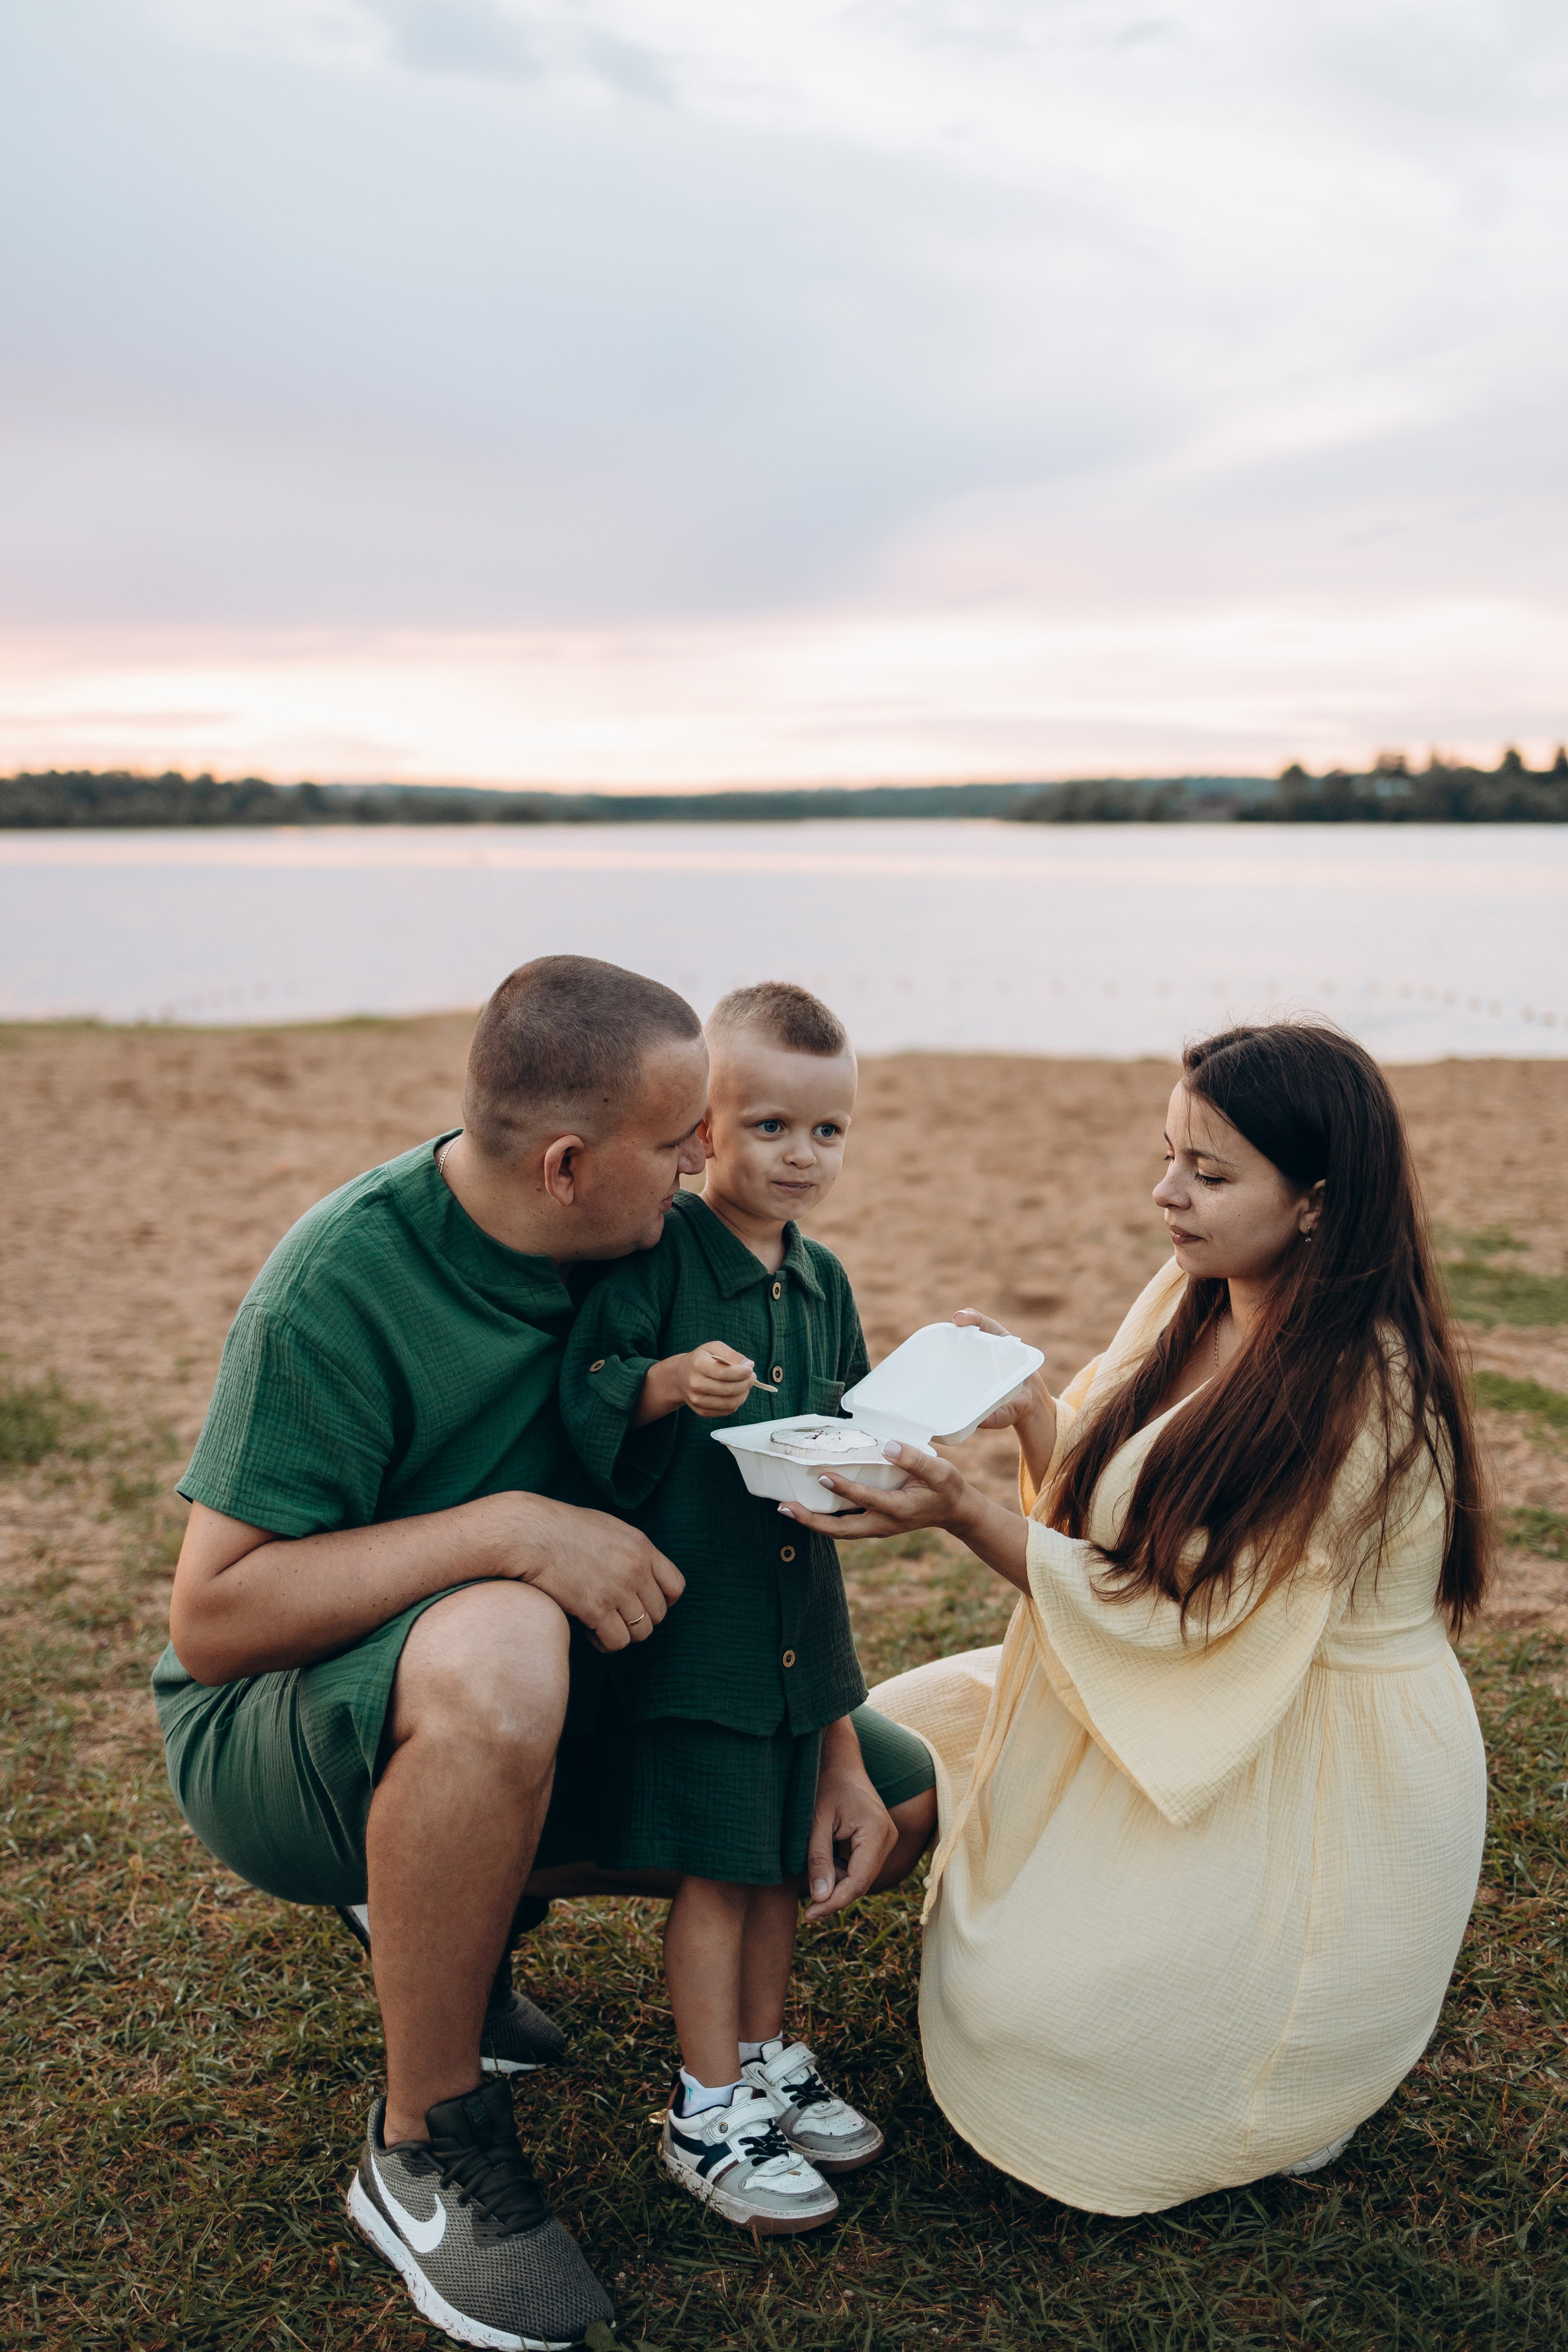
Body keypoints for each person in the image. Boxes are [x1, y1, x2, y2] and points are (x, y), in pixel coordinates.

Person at [152, 956, 925, 2352]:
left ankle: (448, 1901)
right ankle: (425, 2146)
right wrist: (508, 1530)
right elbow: (213, 1623)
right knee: (504, 1637)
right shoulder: (340, 1286)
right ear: (569, 1165)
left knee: (888, 1793)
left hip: (575, 1694)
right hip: (295, 1727)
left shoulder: (663, 1264)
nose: (711, 1156)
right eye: (680, 1138)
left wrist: (825, 1729)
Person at [782, 1022, 1490, 2214]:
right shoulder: (1202, 1289)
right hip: (1175, 1673)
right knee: (875, 1740)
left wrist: (956, 1509)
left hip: (1289, 1746)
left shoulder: (1360, 1396)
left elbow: (1184, 1623)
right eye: (1167, 1155)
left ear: (1315, 1203)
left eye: (1207, 1174)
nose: (1165, 1193)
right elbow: (1123, 1522)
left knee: (1048, 2024)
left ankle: (1288, 2072)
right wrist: (1028, 1413)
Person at [559, 982, 936, 2234]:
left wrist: (916, 1415)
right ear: (703, 1129)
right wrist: (666, 1382)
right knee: (717, 1876)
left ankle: (767, 2061)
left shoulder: (819, 1277)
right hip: (699, 1627)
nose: (800, 1156)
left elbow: (853, 1406)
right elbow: (586, 1395)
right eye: (768, 1125)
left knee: (779, 1861)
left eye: (826, 1132)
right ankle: (704, 2103)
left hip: (796, 1618)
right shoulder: (658, 1255)